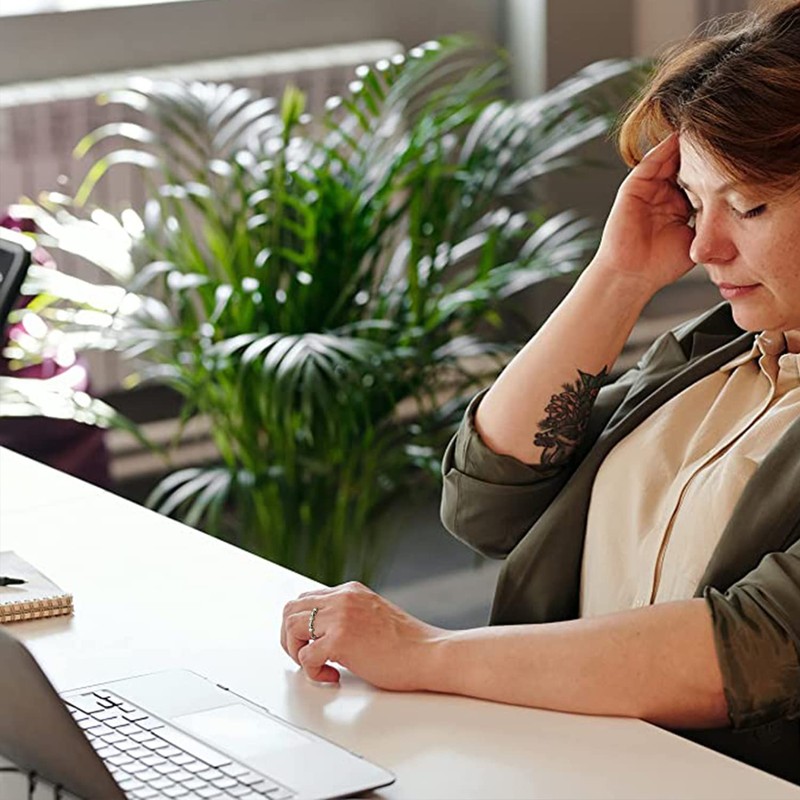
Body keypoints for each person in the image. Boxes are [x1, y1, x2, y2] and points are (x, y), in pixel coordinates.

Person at [281, 0, 800, 783]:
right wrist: (616, 277)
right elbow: (489, 503)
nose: (703, 246)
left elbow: (757, 645)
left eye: (749, 206)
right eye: (696, 203)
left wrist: (423, 653)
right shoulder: (717, 355)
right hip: (564, 766)